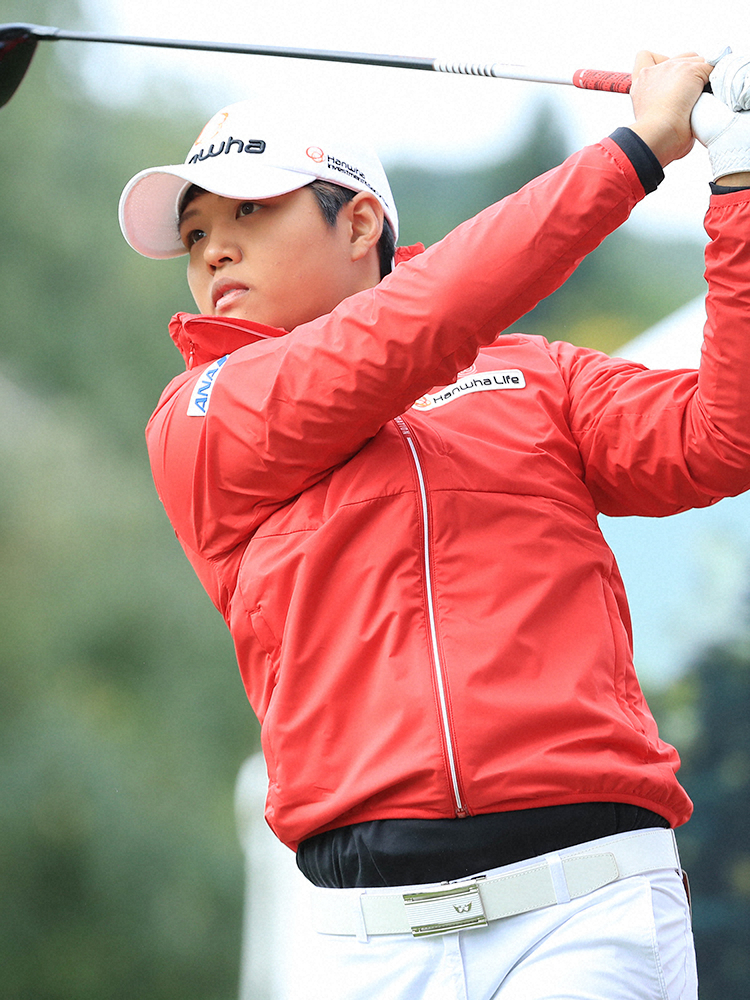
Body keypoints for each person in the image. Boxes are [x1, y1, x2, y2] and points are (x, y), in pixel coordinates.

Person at [118, 50, 750, 999]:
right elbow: (418, 320)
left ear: (358, 222)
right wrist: (637, 150)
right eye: (196, 230)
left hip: (586, 908)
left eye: (250, 211)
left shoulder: (538, 375)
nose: (212, 250)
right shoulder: (204, 418)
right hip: (364, 946)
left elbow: (723, 436)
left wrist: (737, 186)